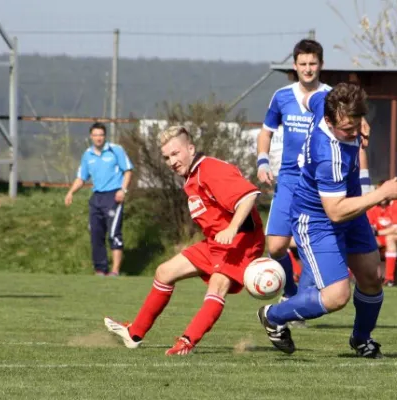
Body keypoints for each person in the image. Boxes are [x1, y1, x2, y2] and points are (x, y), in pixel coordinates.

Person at [256, 83, 397, 358]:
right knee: (336, 297)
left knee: (373, 277)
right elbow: (335, 211)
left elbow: (310, 97)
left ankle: (361, 339)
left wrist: (357, 119)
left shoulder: (325, 106)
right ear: (329, 122)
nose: (353, 134)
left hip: (349, 210)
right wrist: (381, 194)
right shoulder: (329, 154)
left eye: (356, 126)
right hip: (317, 220)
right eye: (347, 130)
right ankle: (273, 314)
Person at [104, 125, 264, 355]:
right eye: (167, 157)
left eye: (176, 154)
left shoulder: (210, 169)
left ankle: (187, 342)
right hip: (215, 243)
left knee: (217, 287)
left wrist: (232, 228)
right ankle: (134, 333)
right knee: (164, 272)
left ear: (191, 148)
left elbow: (249, 196)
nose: (171, 161)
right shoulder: (192, 177)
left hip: (241, 241)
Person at [257, 39, 373, 307]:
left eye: (313, 63)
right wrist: (263, 162)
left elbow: (357, 142)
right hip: (289, 178)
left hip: (323, 182)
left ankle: (304, 297)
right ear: (295, 66)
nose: (308, 69)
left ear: (321, 65)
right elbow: (266, 131)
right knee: (275, 247)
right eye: (303, 64)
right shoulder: (283, 96)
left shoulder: (335, 98)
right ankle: (289, 289)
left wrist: (364, 183)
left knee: (320, 234)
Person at [65, 122, 133, 276]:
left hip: (114, 195)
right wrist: (70, 192)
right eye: (95, 135)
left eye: (101, 135)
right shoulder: (87, 155)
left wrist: (123, 190)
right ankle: (100, 270)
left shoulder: (116, 150)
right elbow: (81, 178)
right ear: (91, 136)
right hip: (97, 197)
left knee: (114, 233)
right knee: (96, 233)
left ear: (105, 136)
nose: (98, 138)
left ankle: (115, 271)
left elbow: (128, 171)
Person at [367, 180, 397, 287]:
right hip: (383, 236)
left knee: (391, 238)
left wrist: (376, 232)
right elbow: (370, 227)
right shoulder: (373, 209)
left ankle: (389, 278)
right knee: (367, 243)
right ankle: (364, 276)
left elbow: (396, 229)